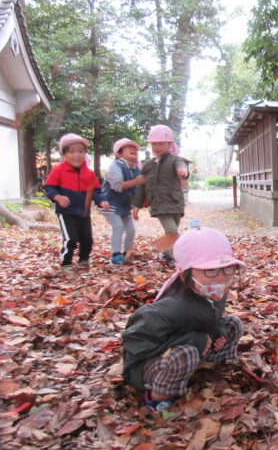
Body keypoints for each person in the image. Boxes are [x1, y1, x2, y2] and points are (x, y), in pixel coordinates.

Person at [122, 227, 246, 413]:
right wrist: (191, 340)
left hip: (196, 350)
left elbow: (212, 318)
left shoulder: (213, 291)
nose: (221, 277)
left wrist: (218, 332)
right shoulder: (167, 309)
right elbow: (135, 344)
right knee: (185, 353)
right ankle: (159, 399)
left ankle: (214, 368)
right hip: (148, 367)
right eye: (210, 270)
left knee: (233, 323)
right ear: (184, 274)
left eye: (227, 268)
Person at [43, 133, 110, 268]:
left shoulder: (89, 173)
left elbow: (96, 191)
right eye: (72, 152)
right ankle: (66, 262)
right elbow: (49, 187)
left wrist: (101, 201)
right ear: (64, 154)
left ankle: (83, 260)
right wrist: (58, 197)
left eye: (81, 151)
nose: (77, 155)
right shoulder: (59, 170)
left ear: (85, 154)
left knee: (87, 239)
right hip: (66, 213)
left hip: (84, 212)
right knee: (71, 238)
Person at [131, 125, 189, 261]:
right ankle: (176, 258)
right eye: (154, 144)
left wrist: (183, 172)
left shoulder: (175, 160)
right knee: (172, 231)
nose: (157, 147)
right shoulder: (148, 165)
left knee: (171, 233)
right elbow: (141, 187)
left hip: (175, 203)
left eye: (161, 143)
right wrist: (136, 205)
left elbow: (181, 166)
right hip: (159, 204)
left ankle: (166, 254)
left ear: (170, 144)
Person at [101, 138, 146, 265]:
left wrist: (137, 205)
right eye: (129, 147)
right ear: (119, 153)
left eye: (135, 148)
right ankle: (116, 255)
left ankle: (126, 253)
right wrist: (136, 181)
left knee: (131, 230)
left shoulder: (136, 169)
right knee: (118, 227)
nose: (133, 149)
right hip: (109, 204)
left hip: (124, 206)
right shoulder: (115, 166)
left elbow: (139, 189)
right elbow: (117, 186)